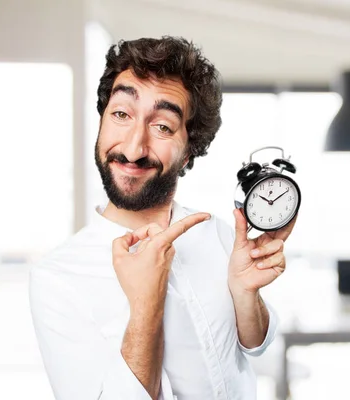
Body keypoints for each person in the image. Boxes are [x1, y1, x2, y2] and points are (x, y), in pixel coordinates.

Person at [29, 36, 296, 400]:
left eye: (163, 127)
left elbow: (254, 346)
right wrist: (145, 305)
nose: (133, 147)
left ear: (189, 153)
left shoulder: (217, 234)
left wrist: (246, 294)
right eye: (121, 114)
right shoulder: (57, 280)